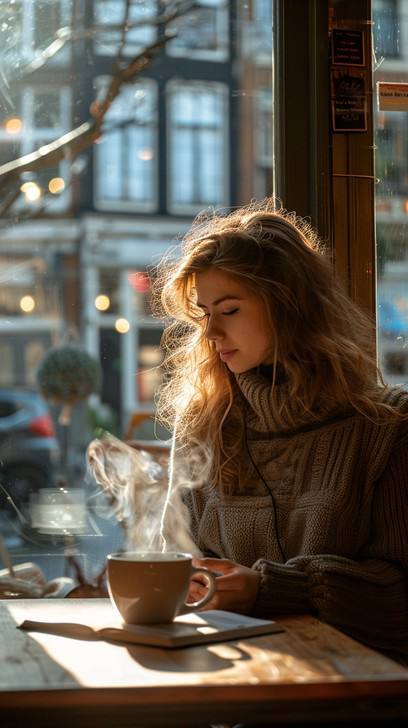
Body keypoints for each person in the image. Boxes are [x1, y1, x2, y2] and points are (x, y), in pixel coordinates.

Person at [153, 198, 408, 665]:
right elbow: (176, 560)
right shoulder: (203, 427)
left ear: (289, 307)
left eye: (229, 310)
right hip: (225, 683)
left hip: (359, 696)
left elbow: (399, 590)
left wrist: (270, 589)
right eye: (204, 312)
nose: (209, 331)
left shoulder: (386, 428)